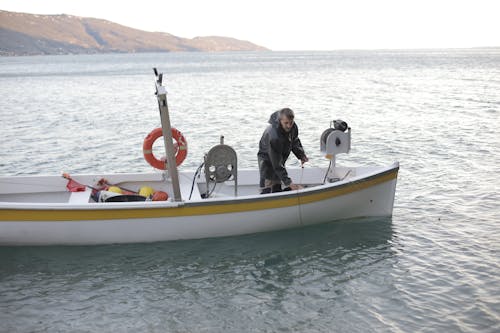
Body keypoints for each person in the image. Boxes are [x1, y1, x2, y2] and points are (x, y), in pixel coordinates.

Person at [258, 108, 309, 194]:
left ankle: (286, 190)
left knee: (277, 188)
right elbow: (276, 163)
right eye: (286, 123)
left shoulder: (293, 127)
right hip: (268, 162)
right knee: (269, 191)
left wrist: (301, 155)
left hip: (279, 159)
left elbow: (294, 141)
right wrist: (288, 182)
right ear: (280, 120)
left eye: (291, 122)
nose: (289, 126)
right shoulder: (274, 136)